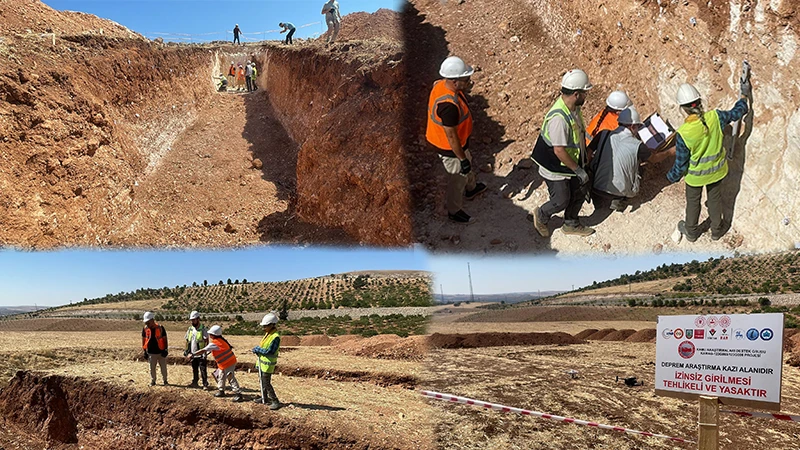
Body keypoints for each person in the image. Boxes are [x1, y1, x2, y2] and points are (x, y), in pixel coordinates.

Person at [668, 82, 749, 242]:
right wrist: (744, 97)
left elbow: (681, 164)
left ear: (682, 108)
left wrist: (671, 177)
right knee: (714, 200)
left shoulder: (684, 133)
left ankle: (691, 232)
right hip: (716, 172)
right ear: (699, 101)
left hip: (695, 178)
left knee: (693, 203)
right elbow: (736, 113)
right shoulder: (715, 117)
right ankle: (717, 231)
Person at [531, 68, 595, 237]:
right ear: (576, 94)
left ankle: (571, 224)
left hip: (569, 163)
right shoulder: (559, 118)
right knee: (560, 200)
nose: (586, 96)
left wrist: (584, 156)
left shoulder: (573, 108)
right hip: (555, 167)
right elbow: (559, 150)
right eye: (584, 93)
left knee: (579, 190)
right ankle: (541, 215)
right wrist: (578, 170)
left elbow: (577, 135)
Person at [425, 56, 487, 223]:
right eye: (465, 80)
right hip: (450, 148)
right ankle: (454, 210)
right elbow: (451, 137)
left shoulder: (440, 84)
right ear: (453, 81)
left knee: (468, 162)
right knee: (458, 176)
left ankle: (472, 188)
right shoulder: (449, 107)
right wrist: (461, 158)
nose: (469, 83)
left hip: (459, 143)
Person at [588, 106, 653, 213]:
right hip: (620, 192)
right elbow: (653, 159)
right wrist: (670, 152)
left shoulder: (603, 134)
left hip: (596, 186)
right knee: (641, 169)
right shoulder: (638, 145)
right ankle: (620, 200)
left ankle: (597, 198)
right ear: (632, 126)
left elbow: (588, 152)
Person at [187, 325, 244, 402]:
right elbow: (210, 351)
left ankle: (238, 394)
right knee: (221, 375)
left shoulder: (215, 343)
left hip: (228, 363)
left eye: (210, 334)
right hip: (225, 363)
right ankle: (221, 391)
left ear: (214, 335)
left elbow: (203, 350)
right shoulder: (221, 340)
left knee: (230, 378)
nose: (209, 335)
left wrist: (193, 354)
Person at [251, 313, 282, 410]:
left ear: (272, 325)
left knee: (266, 383)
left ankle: (275, 401)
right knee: (262, 381)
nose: (264, 328)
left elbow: (270, 351)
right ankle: (264, 397)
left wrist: (258, 350)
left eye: (265, 326)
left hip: (268, 364)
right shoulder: (268, 334)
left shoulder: (275, 337)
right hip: (262, 363)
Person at [141, 311, 168, 386]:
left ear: (152, 320)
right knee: (152, 368)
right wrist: (144, 351)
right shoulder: (145, 329)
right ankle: (153, 381)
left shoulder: (160, 328)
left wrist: (165, 349)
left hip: (161, 351)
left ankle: (165, 381)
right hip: (151, 352)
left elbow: (165, 339)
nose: (147, 324)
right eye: (146, 323)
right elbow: (143, 340)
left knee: (163, 368)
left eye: (148, 322)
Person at [184, 311, 210, 389]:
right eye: (191, 320)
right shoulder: (190, 329)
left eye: (194, 320)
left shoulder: (203, 329)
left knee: (203, 369)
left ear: (198, 319)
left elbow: (206, 341)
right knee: (194, 369)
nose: (192, 321)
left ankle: (205, 384)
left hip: (201, 354)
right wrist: (187, 352)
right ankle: (195, 382)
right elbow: (187, 340)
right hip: (193, 353)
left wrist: (205, 352)